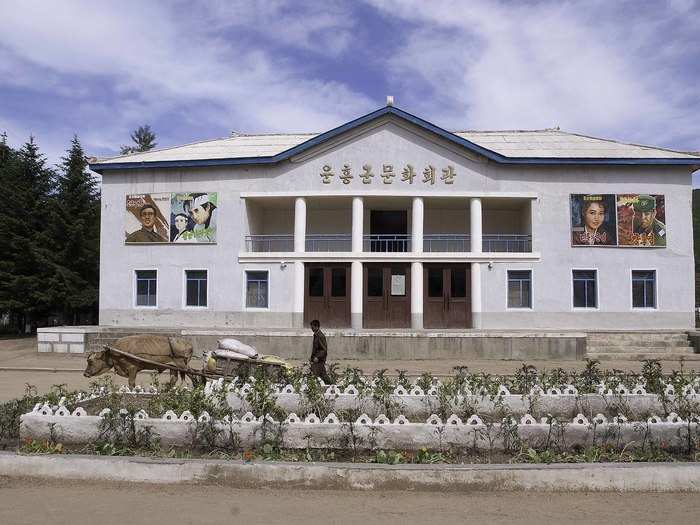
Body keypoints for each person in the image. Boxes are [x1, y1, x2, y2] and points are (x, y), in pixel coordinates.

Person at [309, 319, 331, 384]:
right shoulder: (316, 335)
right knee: (323, 375)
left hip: (319, 360)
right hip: (317, 359)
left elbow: (324, 349)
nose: (312, 329)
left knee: (315, 375)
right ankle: (331, 385)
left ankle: (331, 386)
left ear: (317, 327)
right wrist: (312, 357)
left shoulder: (320, 336)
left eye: (312, 327)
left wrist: (317, 357)